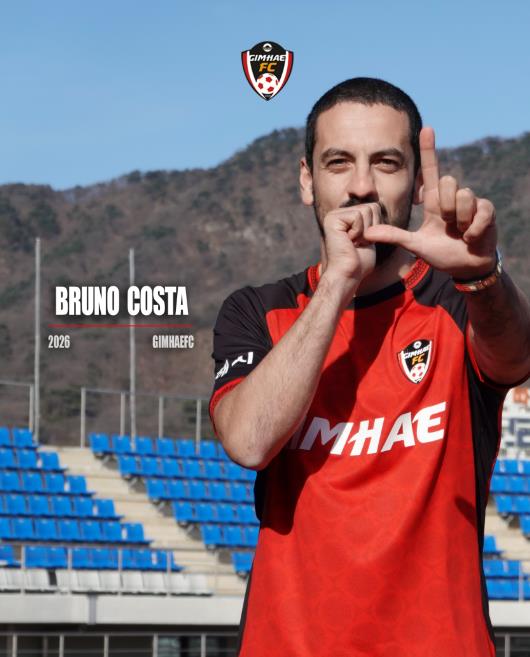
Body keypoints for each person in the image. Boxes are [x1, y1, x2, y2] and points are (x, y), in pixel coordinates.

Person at [209, 77, 530, 657]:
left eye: (386, 162)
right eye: (338, 163)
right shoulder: (257, 311)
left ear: (417, 181)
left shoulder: (461, 300)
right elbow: (250, 441)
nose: (361, 185)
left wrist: (481, 275)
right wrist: (339, 280)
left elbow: (515, 356)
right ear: (307, 181)